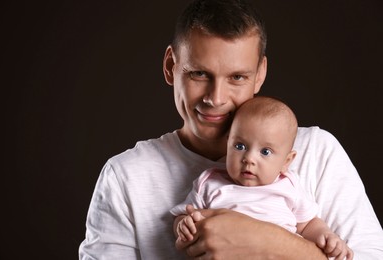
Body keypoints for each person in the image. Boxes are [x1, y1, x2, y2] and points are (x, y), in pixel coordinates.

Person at [79, 0, 383, 259]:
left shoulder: (318, 152)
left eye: (237, 77)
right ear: (171, 66)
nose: (216, 98)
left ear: (260, 73)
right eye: (199, 74)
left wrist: (269, 243)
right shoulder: (125, 176)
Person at [171, 96, 353, 259]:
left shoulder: (288, 185)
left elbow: (307, 224)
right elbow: (183, 215)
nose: (249, 159)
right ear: (228, 144)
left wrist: (327, 236)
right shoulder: (209, 182)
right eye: (240, 146)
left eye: (265, 152)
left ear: (286, 161)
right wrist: (183, 224)